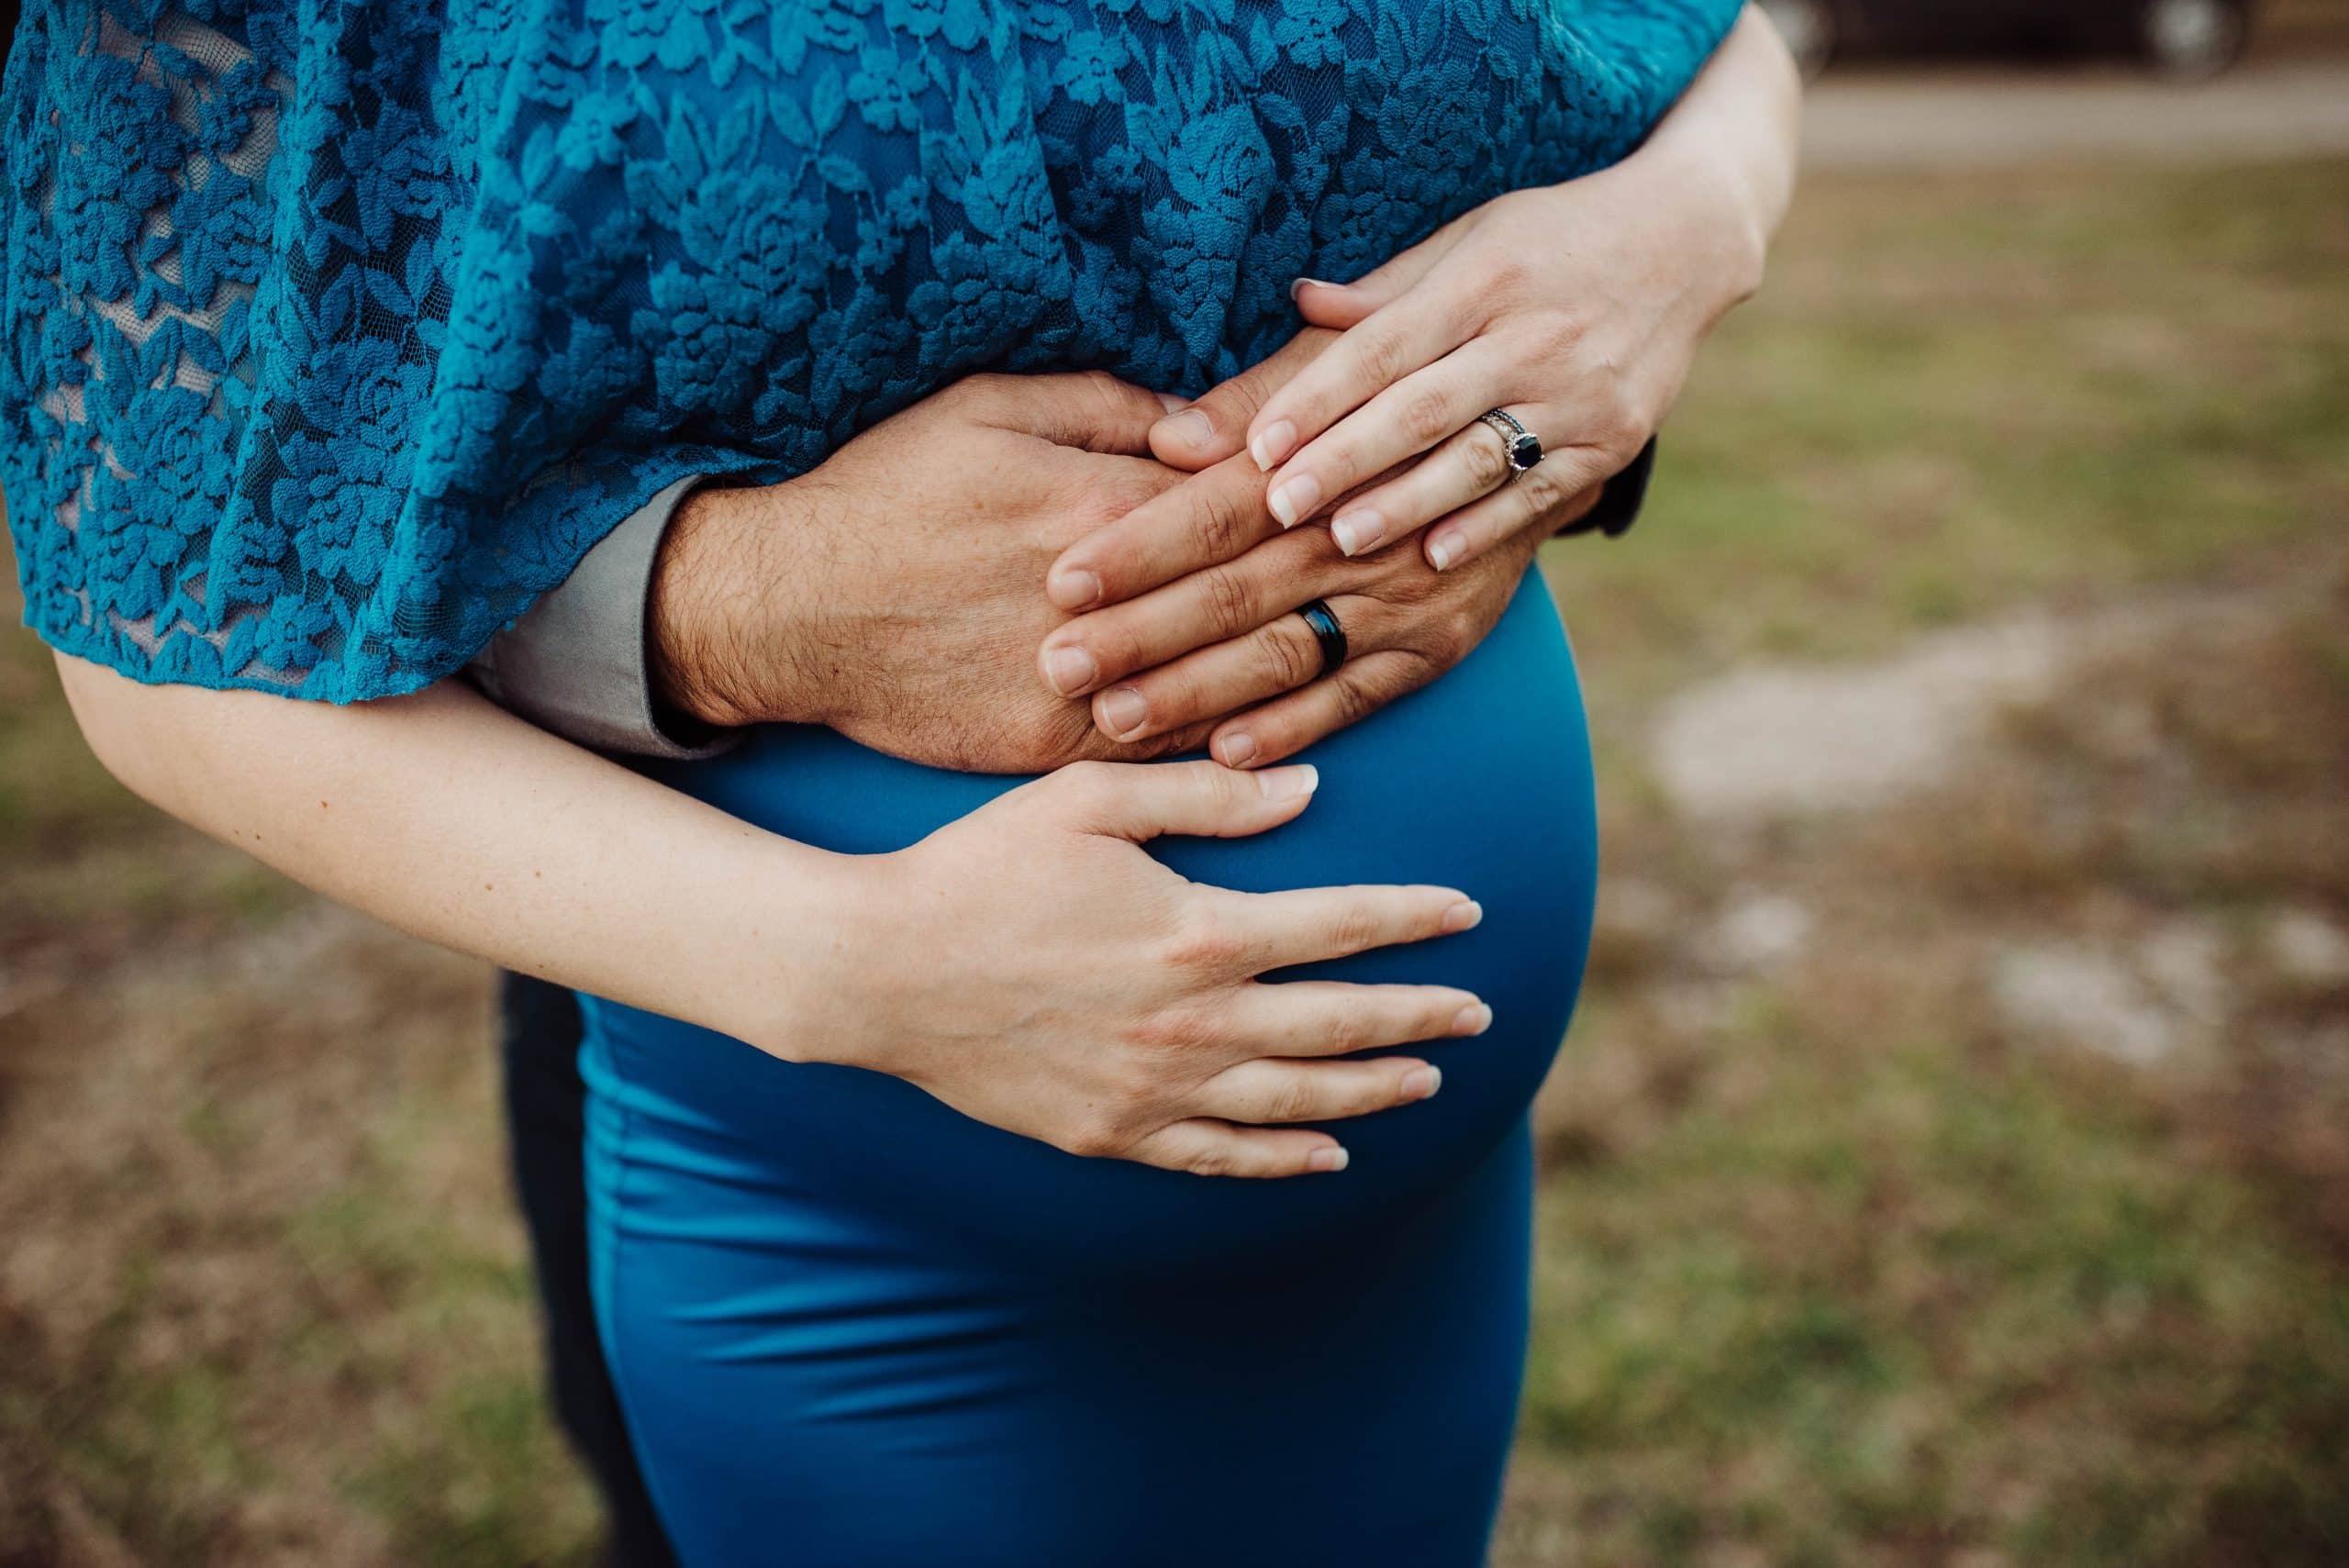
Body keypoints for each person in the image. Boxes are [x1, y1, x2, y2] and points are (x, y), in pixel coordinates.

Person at [4, 2, 1797, 1562]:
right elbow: (157, 634)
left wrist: (1679, 225)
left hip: (1410, 1207)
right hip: (868, 1225)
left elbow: (1687, 35)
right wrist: (859, 951)